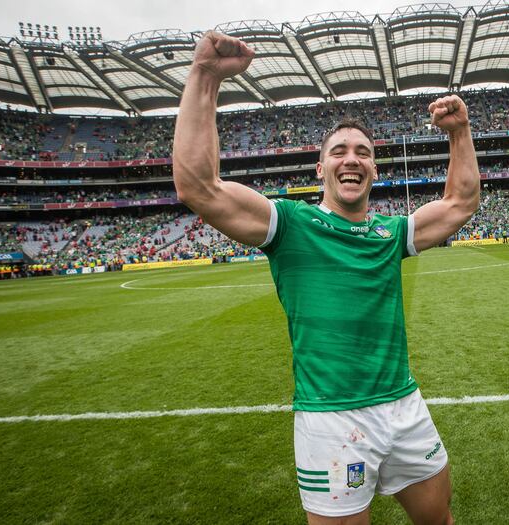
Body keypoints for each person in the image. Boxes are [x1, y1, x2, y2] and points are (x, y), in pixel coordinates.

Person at [173, 31, 479, 525]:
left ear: (374, 169)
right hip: (333, 422)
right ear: (321, 167)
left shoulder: (389, 232)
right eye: (339, 151)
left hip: (404, 407)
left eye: (362, 151)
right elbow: (199, 186)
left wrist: (459, 132)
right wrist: (205, 75)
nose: (352, 158)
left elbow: (460, 203)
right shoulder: (290, 225)